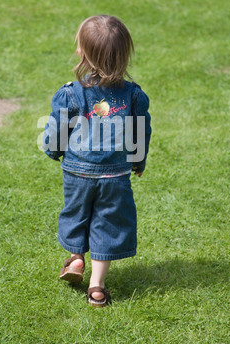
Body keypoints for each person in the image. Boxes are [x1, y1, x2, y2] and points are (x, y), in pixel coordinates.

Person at [43, 15, 151, 307]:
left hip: (77, 172)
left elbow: (57, 128)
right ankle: (97, 288)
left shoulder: (70, 93)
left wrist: (53, 151)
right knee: (108, 225)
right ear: (124, 55)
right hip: (115, 176)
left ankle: (77, 260)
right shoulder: (133, 95)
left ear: (82, 52)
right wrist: (138, 162)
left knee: (75, 214)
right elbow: (140, 133)